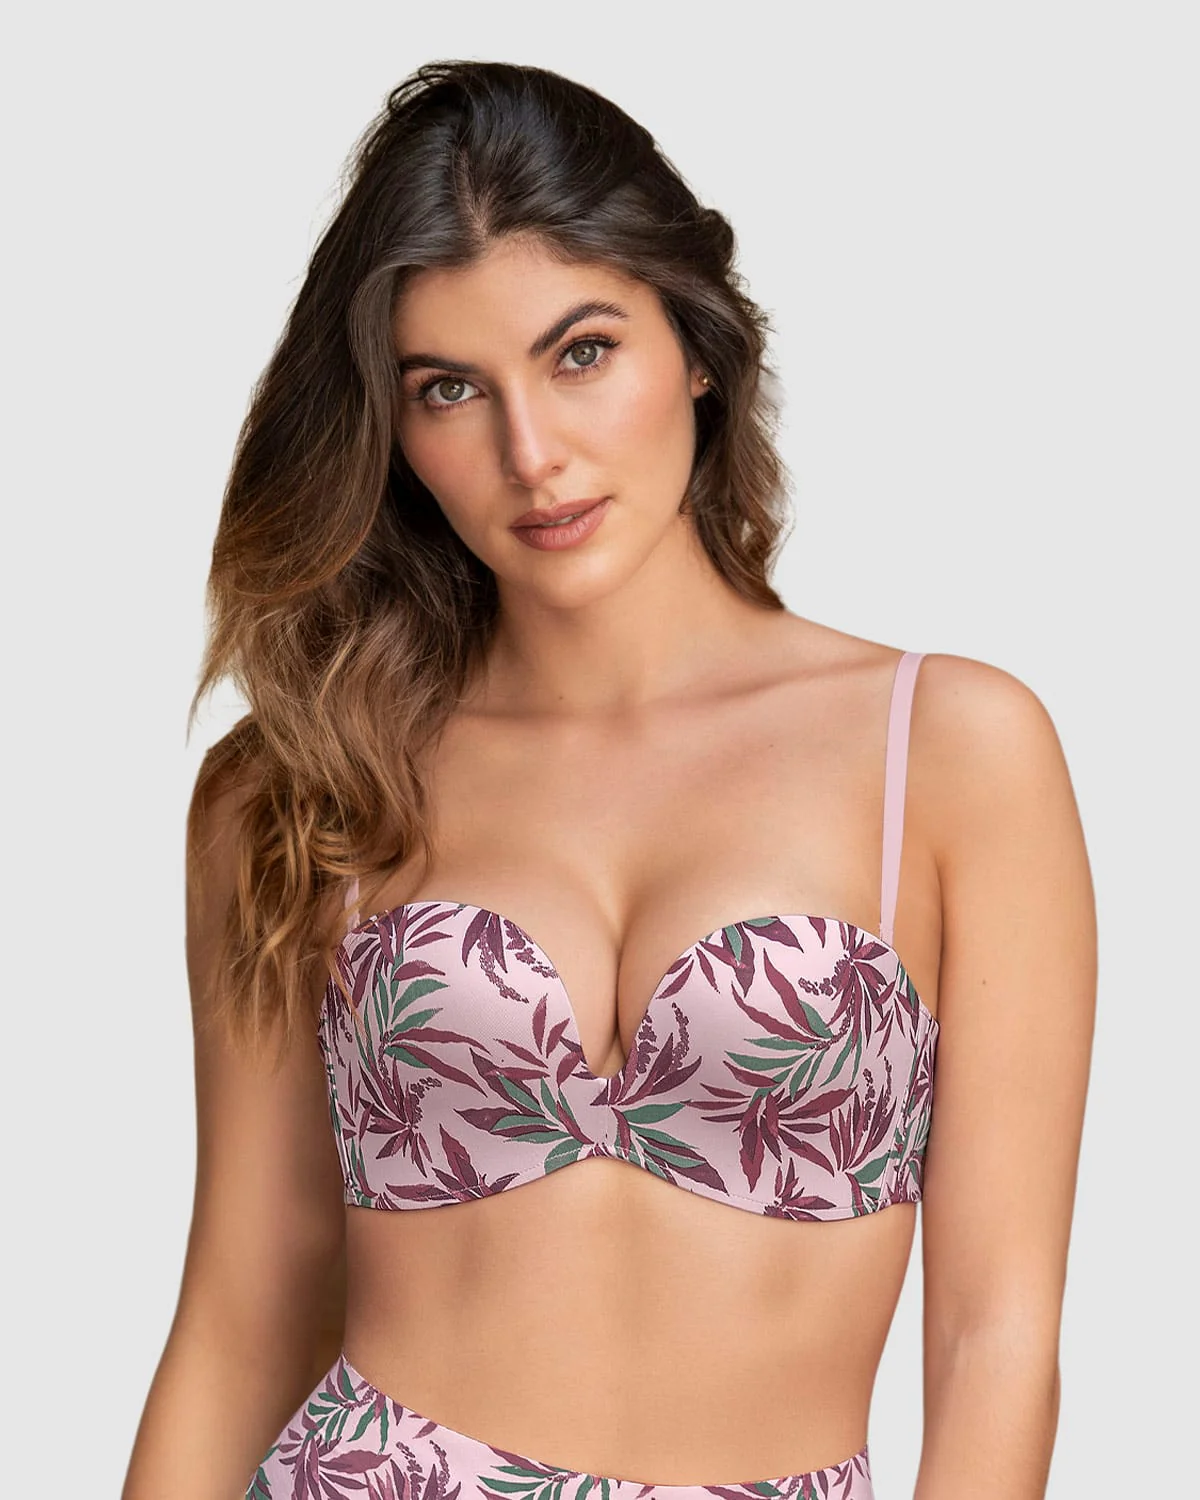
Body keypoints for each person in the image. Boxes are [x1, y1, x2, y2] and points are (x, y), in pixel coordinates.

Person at [122, 59, 1096, 1500]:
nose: (532, 454)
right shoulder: (299, 781)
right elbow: (243, 1311)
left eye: (580, 353)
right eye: (450, 389)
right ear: (395, 430)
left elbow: (995, 1333)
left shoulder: (948, 750)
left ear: (694, 343)